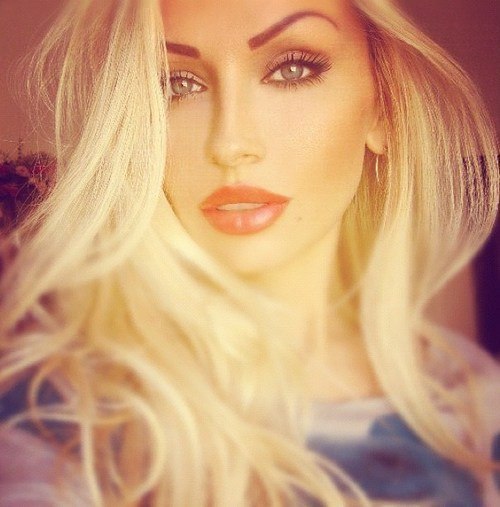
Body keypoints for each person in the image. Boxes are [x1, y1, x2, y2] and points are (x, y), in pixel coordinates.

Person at [0, 0, 499, 505]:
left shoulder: (470, 392)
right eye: (177, 84)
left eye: (292, 70)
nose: (229, 143)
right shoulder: (63, 411)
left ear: (383, 110)